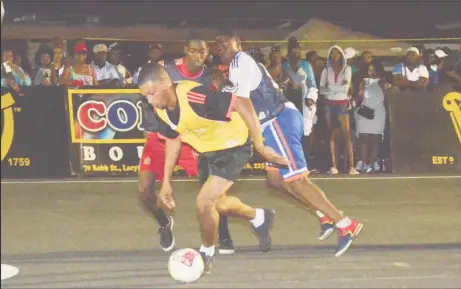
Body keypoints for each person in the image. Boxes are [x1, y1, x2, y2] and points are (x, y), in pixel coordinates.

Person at [215, 32, 363, 257]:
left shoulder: (240, 61)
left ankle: (344, 223)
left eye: (225, 41)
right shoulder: (233, 68)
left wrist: (258, 142)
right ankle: (323, 214)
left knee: (297, 180)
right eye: (216, 43)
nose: (220, 45)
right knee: (276, 180)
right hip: (273, 124)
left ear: (239, 44)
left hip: (277, 121)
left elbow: (242, 103)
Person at [137, 63, 287, 273]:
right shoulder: (161, 110)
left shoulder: (193, 96)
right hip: (208, 152)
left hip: (234, 147)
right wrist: (166, 183)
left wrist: (260, 144)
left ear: (165, 83)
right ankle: (260, 217)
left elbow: (241, 103)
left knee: (204, 202)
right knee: (219, 205)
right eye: (146, 97)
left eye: (152, 93)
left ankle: (206, 252)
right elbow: (173, 139)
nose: (150, 100)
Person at [137, 38, 233, 254]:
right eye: (194, 51)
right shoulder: (165, 69)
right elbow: (146, 94)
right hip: (164, 133)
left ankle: (224, 233)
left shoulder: (212, 76)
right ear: (185, 51)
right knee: (144, 189)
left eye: (202, 52)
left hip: (191, 137)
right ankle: (164, 223)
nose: (198, 56)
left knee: (212, 187)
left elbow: (223, 104)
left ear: (208, 52)